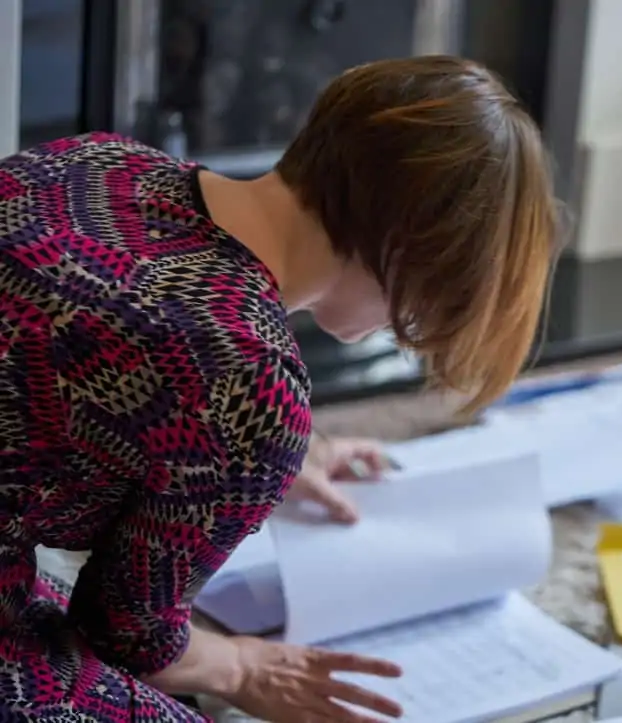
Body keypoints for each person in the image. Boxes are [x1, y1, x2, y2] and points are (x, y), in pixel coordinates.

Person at [0, 56, 557, 723]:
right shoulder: (247, 375)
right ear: (411, 249)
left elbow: (83, 359)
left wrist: (245, 458)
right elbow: (125, 628)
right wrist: (240, 664)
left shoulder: (102, 160)